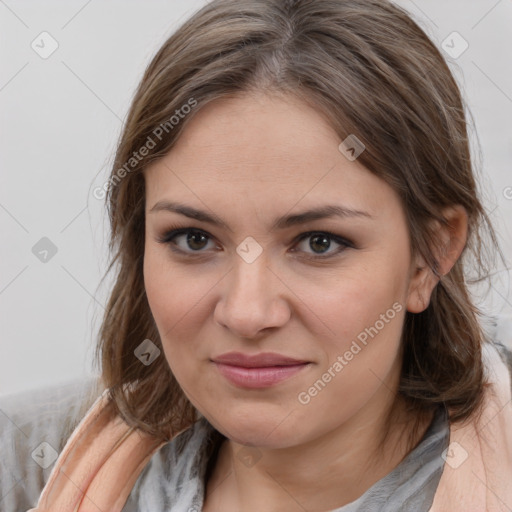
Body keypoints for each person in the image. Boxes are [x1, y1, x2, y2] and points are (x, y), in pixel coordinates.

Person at [1, 0, 511, 511]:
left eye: (319, 243)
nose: (247, 313)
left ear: (429, 256)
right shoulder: (27, 466)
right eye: (194, 239)